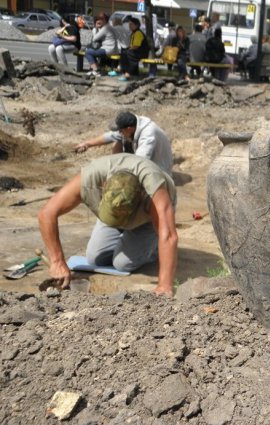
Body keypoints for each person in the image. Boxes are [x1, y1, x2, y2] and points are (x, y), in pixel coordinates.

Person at [38, 153, 178, 297]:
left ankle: (153, 247)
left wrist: (164, 285)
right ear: (103, 186)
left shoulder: (154, 190)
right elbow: (46, 214)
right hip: (117, 209)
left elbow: (168, 236)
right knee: (94, 258)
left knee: (122, 263)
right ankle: (126, 234)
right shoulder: (91, 178)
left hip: (146, 219)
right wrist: (57, 261)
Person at [73, 111, 173, 175]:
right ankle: (119, 169)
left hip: (159, 169)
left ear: (129, 129)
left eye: (121, 130)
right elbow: (109, 136)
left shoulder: (148, 135)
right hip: (144, 159)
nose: (119, 132)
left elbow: (140, 161)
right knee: (118, 141)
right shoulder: (133, 125)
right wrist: (87, 144)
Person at [85, 12, 118, 77]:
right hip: (112, 49)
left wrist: (95, 28)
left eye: (101, 19)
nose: (99, 21)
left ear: (105, 20)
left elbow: (94, 38)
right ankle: (96, 69)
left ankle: (96, 70)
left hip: (108, 49)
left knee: (88, 52)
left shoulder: (105, 28)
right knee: (91, 52)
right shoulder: (109, 26)